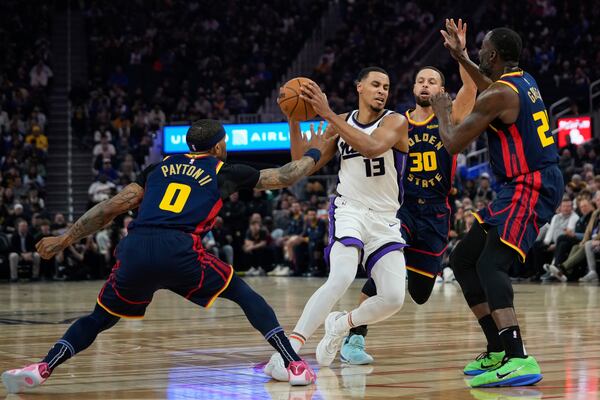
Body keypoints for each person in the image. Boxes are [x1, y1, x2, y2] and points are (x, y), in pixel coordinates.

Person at [1, 119, 333, 393]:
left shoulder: (157, 168)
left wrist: (64, 238)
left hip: (136, 248)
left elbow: (109, 208)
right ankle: (295, 363)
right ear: (218, 146)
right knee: (244, 294)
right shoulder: (224, 171)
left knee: (98, 319)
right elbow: (288, 175)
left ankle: (44, 365)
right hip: (179, 249)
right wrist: (317, 149)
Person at [429, 21, 563, 387]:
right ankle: (497, 348)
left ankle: (519, 357)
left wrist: (442, 110)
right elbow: (490, 87)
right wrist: (462, 57)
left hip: (530, 184)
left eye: (483, 50)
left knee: (491, 263)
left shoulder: (497, 95)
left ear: (493, 55)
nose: (482, 55)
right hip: (521, 184)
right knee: (463, 259)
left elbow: (453, 142)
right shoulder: (522, 79)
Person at [341, 19, 477, 365]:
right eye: (421, 80)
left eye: (433, 80)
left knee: (418, 293)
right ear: (413, 87)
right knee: (383, 270)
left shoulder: (450, 115)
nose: (426, 84)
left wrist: (461, 55)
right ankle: (352, 338)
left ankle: (395, 280)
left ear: (441, 90)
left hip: (435, 213)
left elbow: (472, 89)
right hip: (399, 211)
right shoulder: (396, 120)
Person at [265, 66, 409, 380]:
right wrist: (294, 118)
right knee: (341, 276)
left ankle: (340, 325)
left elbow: (372, 147)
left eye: (386, 86)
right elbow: (304, 164)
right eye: (375, 84)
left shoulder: (396, 121)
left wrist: (328, 114)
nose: (382, 91)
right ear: (360, 87)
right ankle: (289, 350)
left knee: (395, 297)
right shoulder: (340, 122)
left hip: (385, 219)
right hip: (350, 210)